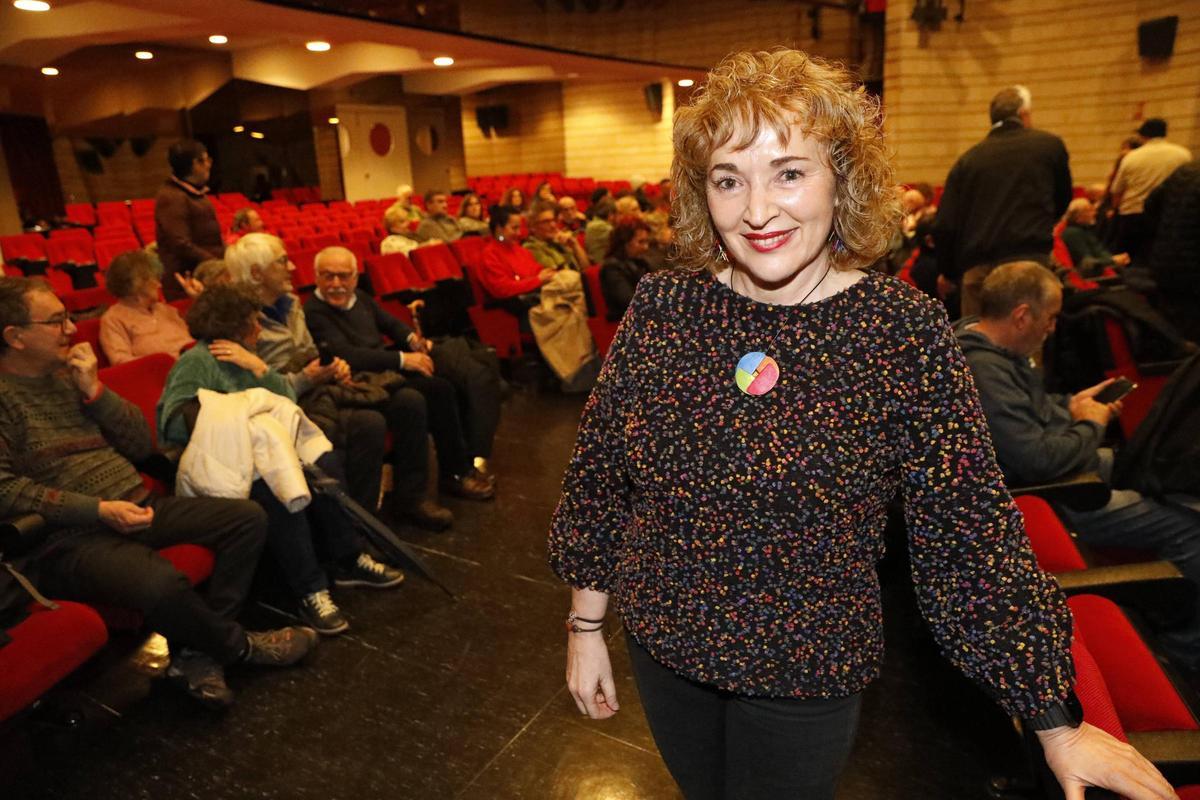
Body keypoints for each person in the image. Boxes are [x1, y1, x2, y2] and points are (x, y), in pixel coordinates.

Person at [549, 49, 1174, 800]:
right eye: (728, 178)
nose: (755, 210)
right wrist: (587, 630)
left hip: (803, 670)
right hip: (664, 641)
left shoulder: (898, 331)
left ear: (842, 175)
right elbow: (599, 478)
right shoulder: (665, 307)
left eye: (788, 172)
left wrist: (1055, 721)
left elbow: (969, 531)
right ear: (699, 191)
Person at [0, 277, 317, 708]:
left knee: (246, 517)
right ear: (14, 336)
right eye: (56, 321)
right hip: (66, 540)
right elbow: (6, 491)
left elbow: (138, 444)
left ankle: (197, 654)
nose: (72, 329)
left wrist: (94, 390)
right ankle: (241, 648)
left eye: (68, 317)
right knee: (160, 581)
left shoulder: (68, 378)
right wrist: (97, 510)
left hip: (136, 505)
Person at [955, 261, 1200, 666]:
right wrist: (1090, 425)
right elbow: (1039, 460)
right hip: (1050, 498)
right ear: (1022, 316)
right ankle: (1185, 649)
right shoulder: (984, 370)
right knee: (1190, 528)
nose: (1052, 329)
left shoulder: (988, 348)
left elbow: (1029, 414)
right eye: (1050, 318)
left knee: (1145, 466)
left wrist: (1071, 407)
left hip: (1052, 477)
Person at [157, 284, 405, 637]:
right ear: (231, 327)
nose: (259, 329)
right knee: (276, 488)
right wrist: (235, 417)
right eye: (252, 323)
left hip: (263, 451)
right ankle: (310, 590)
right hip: (224, 463)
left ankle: (348, 558)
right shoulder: (197, 361)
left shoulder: (244, 355)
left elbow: (285, 396)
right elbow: (171, 425)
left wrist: (259, 369)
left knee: (326, 461)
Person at [304, 247, 495, 507]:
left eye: (343, 276)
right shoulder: (314, 310)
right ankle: (420, 491)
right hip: (357, 381)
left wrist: (411, 340)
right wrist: (405, 359)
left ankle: (455, 470)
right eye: (328, 276)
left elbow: (391, 323)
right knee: (419, 397)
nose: (336, 284)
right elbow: (348, 354)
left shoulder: (359, 297)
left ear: (355, 278)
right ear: (316, 277)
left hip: (382, 373)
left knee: (446, 387)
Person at [224, 233, 390, 513]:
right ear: (256, 273)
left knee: (373, 421)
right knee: (359, 426)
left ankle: (363, 520)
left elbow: (310, 350)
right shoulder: (239, 320)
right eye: (282, 261)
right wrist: (305, 378)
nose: (291, 268)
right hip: (276, 411)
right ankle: (345, 528)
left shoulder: (289, 303)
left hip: (311, 395)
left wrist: (333, 366)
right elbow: (250, 388)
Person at [934, 85, 1072, 318]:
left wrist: (948, 272)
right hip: (1028, 263)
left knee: (975, 343)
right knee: (1025, 346)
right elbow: (1062, 199)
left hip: (979, 270)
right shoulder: (1049, 146)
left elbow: (946, 223)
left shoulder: (968, 160)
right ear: (1024, 114)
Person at [1110, 119, 1192, 261]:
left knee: (1129, 258)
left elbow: (1117, 190)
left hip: (1133, 213)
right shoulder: (1183, 154)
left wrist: (1114, 210)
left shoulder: (1132, 157)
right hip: (1167, 214)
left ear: (1143, 136)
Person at [155, 140, 225, 301]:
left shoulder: (194, 193)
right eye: (206, 159)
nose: (209, 164)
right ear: (195, 164)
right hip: (189, 281)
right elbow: (180, 243)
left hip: (205, 275)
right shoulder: (172, 197)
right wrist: (216, 263)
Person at [99, 249, 194, 365]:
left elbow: (197, 337)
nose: (159, 285)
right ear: (137, 284)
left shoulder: (164, 309)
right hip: (163, 376)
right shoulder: (113, 319)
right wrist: (166, 363)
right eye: (153, 279)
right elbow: (121, 362)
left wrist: (197, 298)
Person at [1143, 159, 1200, 341]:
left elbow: (1150, 204)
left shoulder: (1186, 170)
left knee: (1174, 329)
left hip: (1165, 260)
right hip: (1193, 268)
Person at [599, 216, 652, 321]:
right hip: (625, 325)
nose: (646, 247)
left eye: (647, 242)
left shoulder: (641, 262)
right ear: (625, 242)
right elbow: (631, 302)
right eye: (640, 242)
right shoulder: (612, 268)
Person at [1059, 198, 1130, 275]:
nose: (1095, 213)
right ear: (1078, 216)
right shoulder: (1072, 233)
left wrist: (1115, 259)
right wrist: (1113, 261)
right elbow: (1087, 263)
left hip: (1105, 268)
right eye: (1089, 211)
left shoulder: (1084, 229)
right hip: (1094, 275)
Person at [524, 202, 590, 272]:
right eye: (546, 222)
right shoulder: (531, 247)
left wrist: (574, 244)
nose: (553, 225)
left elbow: (587, 269)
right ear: (533, 227)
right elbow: (560, 273)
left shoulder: (558, 241)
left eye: (553, 220)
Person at [584, 198, 617, 265]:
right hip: (603, 265)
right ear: (611, 215)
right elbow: (620, 238)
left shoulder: (595, 223)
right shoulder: (599, 226)